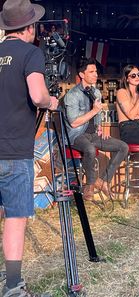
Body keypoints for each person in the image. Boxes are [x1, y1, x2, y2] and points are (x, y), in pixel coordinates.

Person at [0, 0, 59, 296]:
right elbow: (37, 95)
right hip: (12, 150)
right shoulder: (30, 53)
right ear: (29, 27)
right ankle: (12, 285)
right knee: (14, 217)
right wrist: (51, 101)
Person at [63, 58, 129, 200]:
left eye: (96, 71)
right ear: (82, 75)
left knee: (123, 147)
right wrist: (93, 111)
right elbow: (73, 123)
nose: (95, 74)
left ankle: (104, 181)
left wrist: (101, 128)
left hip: (93, 135)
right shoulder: (72, 95)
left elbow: (98, 116)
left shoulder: (96, 93)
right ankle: (90, 184)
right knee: (90, 150)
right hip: (76, 135)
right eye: (91, 72)